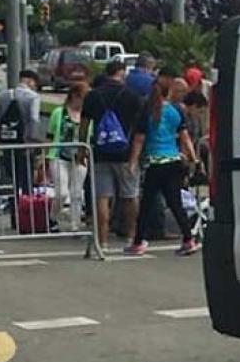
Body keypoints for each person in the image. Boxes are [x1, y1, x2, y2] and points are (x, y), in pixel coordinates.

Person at [127, 68, 200, 256]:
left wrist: (133, 162)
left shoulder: (147, 111)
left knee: (147, 204)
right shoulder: (175, 111)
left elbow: (139, 139)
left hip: (154, 161)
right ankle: (188, 238)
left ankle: (139, 241)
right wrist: (193, 158)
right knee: (175, 202)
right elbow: (184, 137)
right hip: (173, 160)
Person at [82, 60, 145, 250]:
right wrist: (134, 159)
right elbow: (140, 132)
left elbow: (84, 126)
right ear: (122, 73)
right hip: (126, 154)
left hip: (100, 152)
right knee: (130, 196)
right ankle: (131, 236)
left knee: (102, 197)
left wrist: (81, 149)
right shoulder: (133, 96)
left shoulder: (92, 96)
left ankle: (102, 241)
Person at [0, 68, 46, 195]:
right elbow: (33, 119)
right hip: (24, 143)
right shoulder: (33, 97)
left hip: (7, 142)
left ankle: (13, 209)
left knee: (11, 178)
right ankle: (26, 208)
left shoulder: (3, 95)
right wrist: (34, 141)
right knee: (26, 176)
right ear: (30, 81)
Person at [46, 81, 90, 229]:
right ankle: (52, 217)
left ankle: (75, 223)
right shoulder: (59, 113)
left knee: (77, 192)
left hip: (80, 156)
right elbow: (50, 135)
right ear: (74, 96)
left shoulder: (88, 115)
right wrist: (43, 157)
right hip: (59, 156)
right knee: (61, 192)